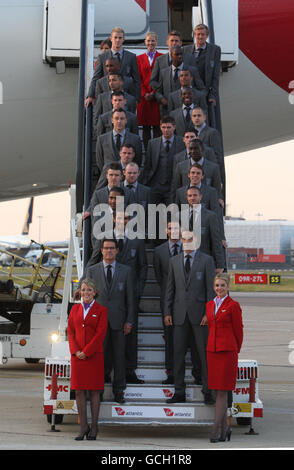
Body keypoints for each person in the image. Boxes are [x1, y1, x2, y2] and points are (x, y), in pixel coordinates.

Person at [164, 230, 215, 405]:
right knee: (178, 355)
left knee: (203, 355)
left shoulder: (206, 260)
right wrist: (168, 312)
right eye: (184, 239)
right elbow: (170, 289)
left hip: (200, 316)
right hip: (179, 315)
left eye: (189, 239)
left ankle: (208, 391)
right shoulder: (174, 261)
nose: (186, 242)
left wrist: (208, 313)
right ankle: (179, 391)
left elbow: (210, 290)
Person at [83, 238, 135, 404]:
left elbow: (131, 300)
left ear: (117, 251)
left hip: (119, 323)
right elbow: (87, 298)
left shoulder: (126, 271)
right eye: (106, 248)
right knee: (99, 358)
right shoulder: (92, 271)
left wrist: (129, 321)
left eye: (112, 248)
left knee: (119, 358)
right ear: (102, 251)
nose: (109, 251)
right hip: (97, 324)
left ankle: (119, 391)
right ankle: (97, 391)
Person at [67, 279, 108, 441]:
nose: (85, 293)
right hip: (77, 356)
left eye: (89, 290)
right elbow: (70, 331)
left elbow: (101, 333)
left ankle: (94, 427)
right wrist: (76, 351)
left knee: (94, 391)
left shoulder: (101, 310)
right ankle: (83, 427)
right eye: (83, 290)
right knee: (79, 391)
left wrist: (87, 351)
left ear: (94, 292)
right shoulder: (75, 309)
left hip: (94, 356)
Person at [205, 273, 243, 442]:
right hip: (212, 352)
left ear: (228, 287)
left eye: (222, 285)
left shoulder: (233, 305)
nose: (219, 288)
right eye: (217, 285)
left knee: (221, 393)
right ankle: (225, 429)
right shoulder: (209, 305)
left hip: (227, 352)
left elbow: (238, 331)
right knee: (216, 392)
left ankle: (215, 430)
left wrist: (235, 350)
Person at [85, 26, 141, 106]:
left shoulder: (131, 57)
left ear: (123, 39)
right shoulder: (102, 57)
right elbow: (96, 77)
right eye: (115, 37)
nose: (117, 40)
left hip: (125, 99)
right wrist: (90, 95)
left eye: (120, 38)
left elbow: (136, 80)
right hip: (107, 98)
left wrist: (136, 98)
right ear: (111, 38)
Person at [136, 32, 162, 150]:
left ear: (156, 42)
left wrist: (154, 93)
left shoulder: (162, 57)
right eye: (148, 41)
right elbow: (138, 78)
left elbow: (162, 78)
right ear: (145, 42)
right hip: (144, 98)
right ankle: (147, 151)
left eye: (153, 41)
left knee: (157, 127)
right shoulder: (139, 59)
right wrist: (144, 93)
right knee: (145, 127)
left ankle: (156, 150)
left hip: (156, 98)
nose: (150, 43)